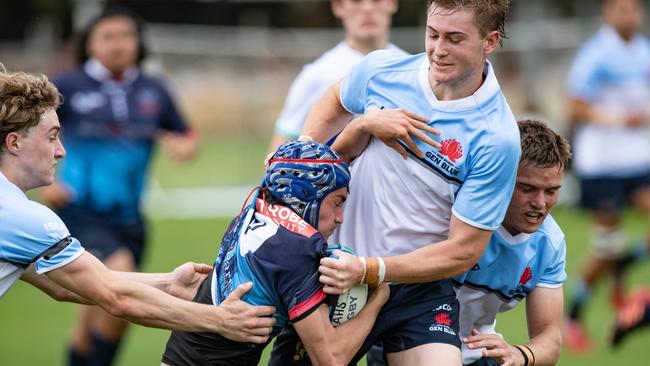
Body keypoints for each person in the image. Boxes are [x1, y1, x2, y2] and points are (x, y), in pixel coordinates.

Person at [270, 1, 520, 365]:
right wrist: (311, 153)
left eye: (454, 38)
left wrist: (374, 270)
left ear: (489, 41)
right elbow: (335, 99)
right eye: (433, 34)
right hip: (336, 272)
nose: (438, 49)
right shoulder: (382, 70)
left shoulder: (498, 137)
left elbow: (462, 251)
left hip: (419, 291)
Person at [0, 68, 276, 344]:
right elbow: (115, 297)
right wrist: (222, 320)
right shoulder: (22, 217)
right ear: (14, 142)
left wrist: (169, 283)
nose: (61, 150)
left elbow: (63, 286)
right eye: (51, 137)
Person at [37, 7, 200, 366]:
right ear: (90, 44)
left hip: (130, 217)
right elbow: (26, 137)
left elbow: (186, 134)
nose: (118, 45)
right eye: (107, 37)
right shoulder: (67, 86)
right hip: (81, 210)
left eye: (126, 36)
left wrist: (183, 145)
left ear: (138, 42)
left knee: (106, 316)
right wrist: (44, 187)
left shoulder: (153, 89)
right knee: (120, 287)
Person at [161, 140, 390, 366]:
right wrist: (379, 296)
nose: (340, 217)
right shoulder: (296, 250)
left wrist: (361, 127)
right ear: (308, 196)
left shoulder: (258, 204)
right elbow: (331, 359)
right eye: (337, 202)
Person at [563, 0, 650, 353]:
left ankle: (622, 266)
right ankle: (574, 314)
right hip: (603, 164)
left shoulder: (643, 50)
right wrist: (617, 119)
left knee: (616, 247)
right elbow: (574, 105)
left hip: (638, 159)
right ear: (608, 14)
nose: (629, 15)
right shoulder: (595, 54)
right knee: (605, 246)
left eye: (634, 9)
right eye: (621, 9)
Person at [457, 119, 570, 366]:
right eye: (527, 188)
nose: (540, 204)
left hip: (477, 351)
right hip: (413, 342)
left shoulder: (548, 244)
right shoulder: (459, 215)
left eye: (551, 191)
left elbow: (549, 338)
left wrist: (519, 355)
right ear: (501, 176)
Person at [267, 0, 400, 154]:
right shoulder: (317, 75)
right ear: (338, 6)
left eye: (376, 0)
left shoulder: (414, 67)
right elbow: (280, 151)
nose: (367, 8)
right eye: (356, 1)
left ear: (392, 3)